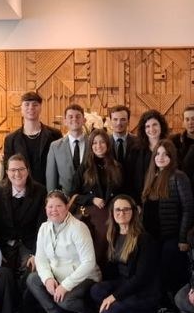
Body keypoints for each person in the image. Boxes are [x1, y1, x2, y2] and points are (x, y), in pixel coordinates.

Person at [27, 191, 102, 313]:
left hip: (84, 276)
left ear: (67, 207)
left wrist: (65, 286)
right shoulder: (44, 228)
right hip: (58, 274)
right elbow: (41, 259)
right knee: (32, 279)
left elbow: (89, 262)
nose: (54, 210)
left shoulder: (79, 228)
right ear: (45, 209)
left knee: (65, 301)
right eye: (50, 207)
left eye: (58, 206)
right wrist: (48, 279)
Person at [0, 154, 47, 313]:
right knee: (4, 272)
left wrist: (36, 253)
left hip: (29, 242)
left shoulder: (40, 191)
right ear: (7, 172)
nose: (17, 174)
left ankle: (27, 310)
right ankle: (8, 310)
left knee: (31, 269)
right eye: (13, 170)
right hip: (4, 244)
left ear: (27, 171)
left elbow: (42, 226)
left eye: (21, 169)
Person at [140, 139, 194, 313]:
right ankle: (165, 307)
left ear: (172, 157)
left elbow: (188, 208)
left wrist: (183, 238)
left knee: (171, 272)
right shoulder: (151, 177)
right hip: (153, 237)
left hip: (172, 237)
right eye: (158, 154)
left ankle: (181, 308)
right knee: (156, 273)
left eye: (165, 154)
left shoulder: (178, 176)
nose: (161, 157)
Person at [91, 195, 161, 313]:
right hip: (124, 284)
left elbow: (141, 278)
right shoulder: (114, 235)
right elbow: (112, 271)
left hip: (143, 291)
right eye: (117, 210)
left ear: (134, 212)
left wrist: (114, 297)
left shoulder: (144, 239)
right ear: (112, 213)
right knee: (96, 290)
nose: (121, 213)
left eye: (126, 210)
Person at [71, 128, 123, 265]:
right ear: (90, 146)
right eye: (94, 143)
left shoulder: (117, 167)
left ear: (107, 144)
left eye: (102, 142)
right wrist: (92, 199)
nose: (98, 146)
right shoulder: (84, 167)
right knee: (99, 230)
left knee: (109, 228)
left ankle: (105, 267)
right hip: (85, 209)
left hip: (111, 209)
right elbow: (73, 195)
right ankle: (93, 266)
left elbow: (124, 192)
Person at [3, 92, 62, 186]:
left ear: (40, 108)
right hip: (23, 190)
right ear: (21, 109)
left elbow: (60, 166)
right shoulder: (11, 139)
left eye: (35, 105)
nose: (31, 108)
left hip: (49, 189)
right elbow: (8, 170)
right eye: (27, 104)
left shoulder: (55, 135)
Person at [129, 109, 171, 202]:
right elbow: (131, 178)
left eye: (155, 125)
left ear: (161, 126)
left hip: (165, 199)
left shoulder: (171, 148)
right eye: (147, 126)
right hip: (142, 200)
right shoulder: (136, 150)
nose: (151, 129)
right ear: (144, 129)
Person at [46, 104, 88, 196]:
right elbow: (51, 177)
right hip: (65, 199)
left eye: (78, 116)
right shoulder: (55, 146)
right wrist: (52, 198)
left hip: (89, 199)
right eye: (70, 117)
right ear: (65, 121)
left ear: (84, 120)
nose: (74, 119)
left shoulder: (93, 144)